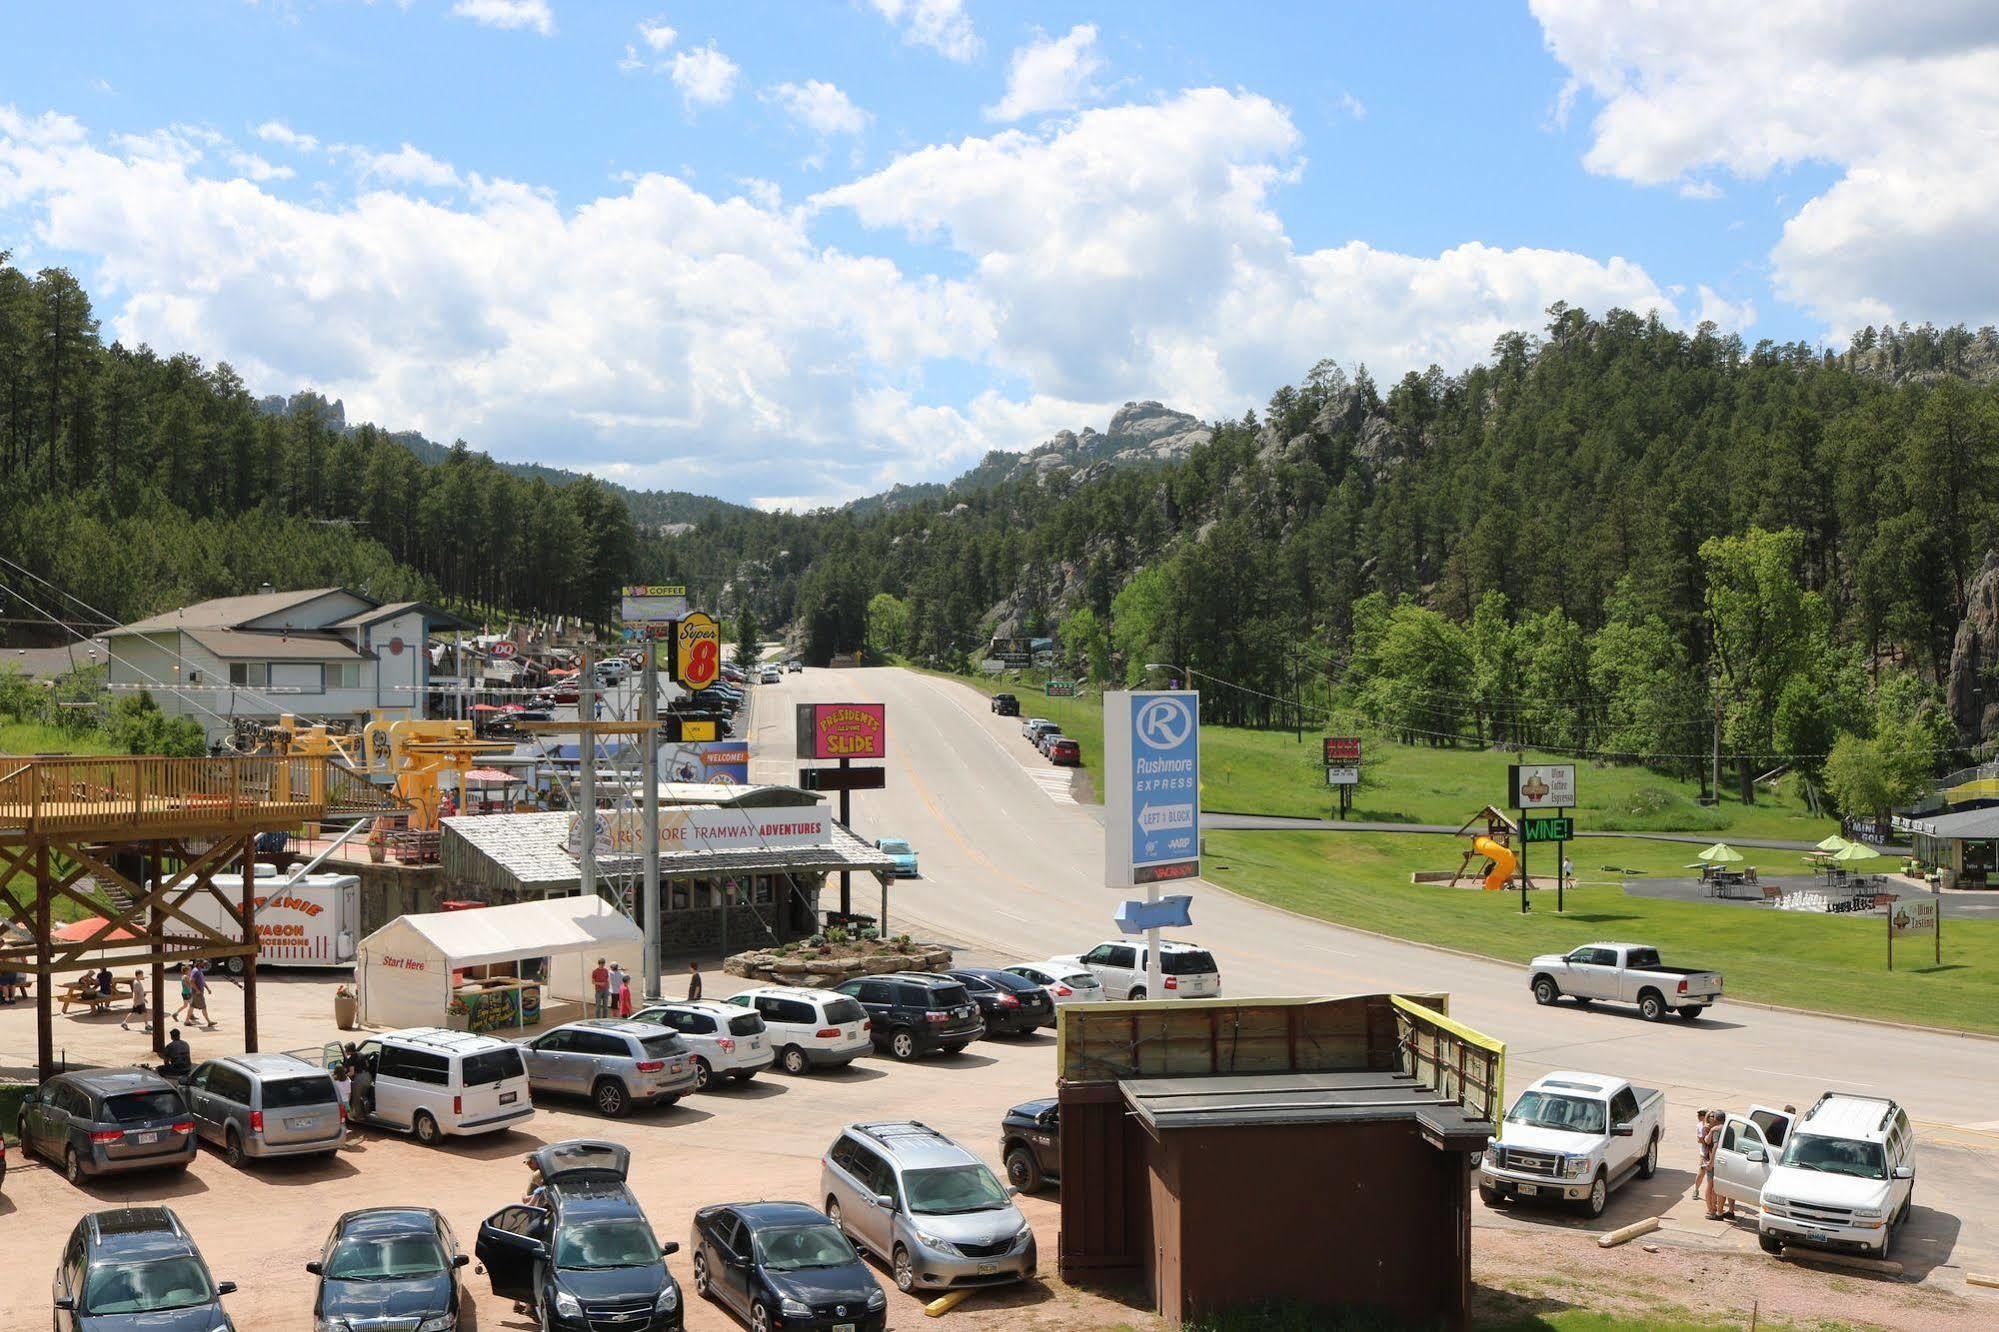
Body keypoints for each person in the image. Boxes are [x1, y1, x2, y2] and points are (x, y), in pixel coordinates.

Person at [188, 961, 214, 1029]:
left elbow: (203, 981)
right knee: (203, 1007)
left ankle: (186, 1021)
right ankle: (209, 1022)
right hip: (197, 993)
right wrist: (197, 990)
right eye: (203, 963)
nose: (205, 964)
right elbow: (191, 982)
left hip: (197, 992)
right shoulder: (195, 971)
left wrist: (208, 988)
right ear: (199, 963)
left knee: (192, 1006)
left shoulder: (199, 971)